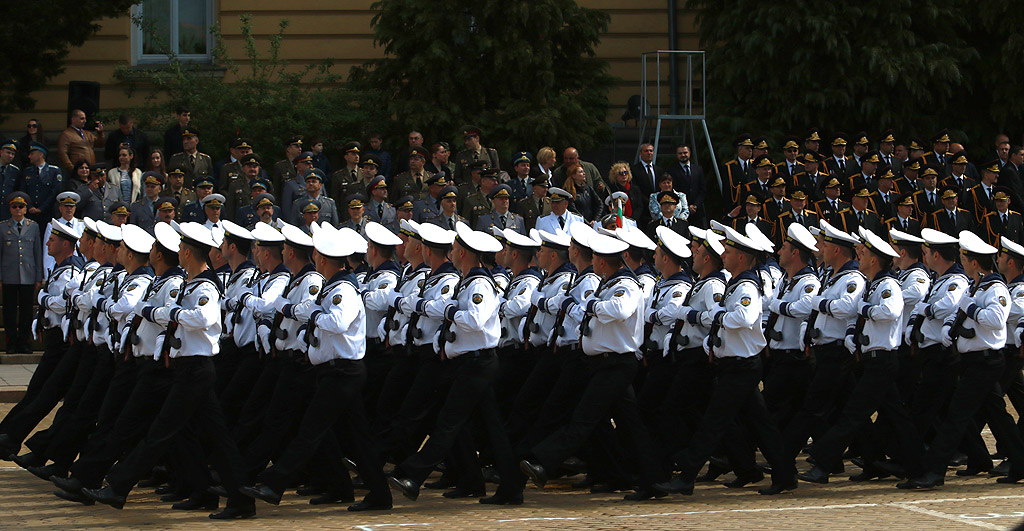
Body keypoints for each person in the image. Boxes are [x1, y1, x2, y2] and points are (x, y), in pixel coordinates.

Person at [82, 222, 257, 519]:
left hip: (197, 368)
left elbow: (204, 317)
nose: (177, 252)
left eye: (180, 249)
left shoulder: (205, 285)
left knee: (162, 431)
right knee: (208, 437)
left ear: (187, 252)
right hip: (188, 367)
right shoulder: (192, 282)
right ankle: (216, 494)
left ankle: (119, 486)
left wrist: (167, 313)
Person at [520, 229, 662, 501]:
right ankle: (646, 479)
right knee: (631, 427)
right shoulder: (607, 283)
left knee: (583, 419)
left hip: (616, 364)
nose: (592, 260)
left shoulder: (626, 285)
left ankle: (542, 461)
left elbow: (619, 310)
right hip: (603, 363)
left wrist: (592, 305)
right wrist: (584, 306)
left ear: (603, 261)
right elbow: (586, 311)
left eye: (596, 256)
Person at [388, 221, 522, 505]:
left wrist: (449, 311)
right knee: (489, 428)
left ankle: (414, 473)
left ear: (463, 253)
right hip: (470, 362)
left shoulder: (480, 284)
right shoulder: (468, 281)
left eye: (456, 248)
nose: (453, 250)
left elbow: (475, 320)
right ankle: (501, 486)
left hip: (478, 363)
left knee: (449, 421)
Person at [797, 227, 925, 484]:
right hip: (873, 359)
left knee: (853, 414)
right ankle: (898, 464)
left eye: (864, 254)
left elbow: (890, 310)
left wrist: (864, 308)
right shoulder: (875, 283)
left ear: (874, 260)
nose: (859, 257)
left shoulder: (888, 284)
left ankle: (823, 464)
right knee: (897, 418)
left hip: (883, 359)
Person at [899, 230, 1024, 488]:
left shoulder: (996, 288)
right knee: (999, 416)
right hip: (975, 360)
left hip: (986, 360)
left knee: (956, 416)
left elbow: (996, 319)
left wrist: (971, 308)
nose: (962, 263)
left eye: (965, 259)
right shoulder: (979, 285)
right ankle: (1021, 463)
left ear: (974, 262)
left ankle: (934, 471)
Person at [0, 219, 80, 458]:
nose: (47, 243)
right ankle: (8, 436)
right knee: (38, 392)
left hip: (64, 342)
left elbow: (66, 303)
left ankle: (13, 438)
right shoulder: (59, 268)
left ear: (66, 244)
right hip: (55, 339)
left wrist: (44, 300)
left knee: (47, 394)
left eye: (52, 240)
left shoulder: (70, 271)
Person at [0, 193, 42, 353]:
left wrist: (39, 276)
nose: (17, 210)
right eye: (14, 207)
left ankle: (24, 342)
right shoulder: (3, 227)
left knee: (26, 312)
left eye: (21, 207)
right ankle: (11, 343)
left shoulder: (33, 226)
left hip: (28, 275)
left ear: (26, 209)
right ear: (10, 209)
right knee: (9, 311)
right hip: (9, 274)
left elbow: (37, 252)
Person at [42, 192, 85, 275]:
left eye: (71, 206)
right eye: (66, 206)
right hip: (59, 269)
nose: (69, 209)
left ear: (75, 208)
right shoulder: (52, 225)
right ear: (60, 208)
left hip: (79, 268)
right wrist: (48, 276)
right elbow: (48, 254)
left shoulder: (82, 225)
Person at [22, 142, 63, 226]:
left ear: (40, 154)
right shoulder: (27, 171)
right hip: (30, 213)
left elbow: (55, 191)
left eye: (32, 154)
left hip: (47, 212)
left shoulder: (54, 171)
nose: (29, 156)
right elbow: (23, 191)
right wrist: (30, 207)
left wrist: (41, 208)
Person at [56, 109, 104, 175]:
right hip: (77, 171)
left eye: (85, 118)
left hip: (90, 170)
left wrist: (100, 133)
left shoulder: (87, 133)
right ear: (73, 119)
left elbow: (100, 144)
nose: (85, 121)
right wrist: (72, 169)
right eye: (82, 119)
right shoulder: (66, 134)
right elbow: (63, 154)